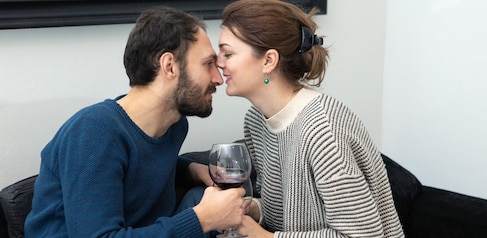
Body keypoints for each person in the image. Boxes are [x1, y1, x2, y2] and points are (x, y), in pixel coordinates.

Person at [24, 6, 246, 237]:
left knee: (203, 197)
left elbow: (143, 163)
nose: (218, 78)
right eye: (207, 64)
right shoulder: (94, 133)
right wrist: (203, 219)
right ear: (169, 66)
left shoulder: (174, 126)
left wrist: (191, 169)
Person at [215, 0, 405, 237]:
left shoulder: (323, 130)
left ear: (268, 61)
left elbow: (365, 235)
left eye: (228, 53)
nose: (219, 62)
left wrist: (263, 237)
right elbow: (283, 214)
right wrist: (252, 209)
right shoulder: (255, 121)